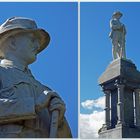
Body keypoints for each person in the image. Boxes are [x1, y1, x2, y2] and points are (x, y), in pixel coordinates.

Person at [0, 17, 72, 138]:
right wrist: (34, 105)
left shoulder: (45, 90)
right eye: (32, 40)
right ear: (12, 42)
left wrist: (59, 122)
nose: (37, 45)